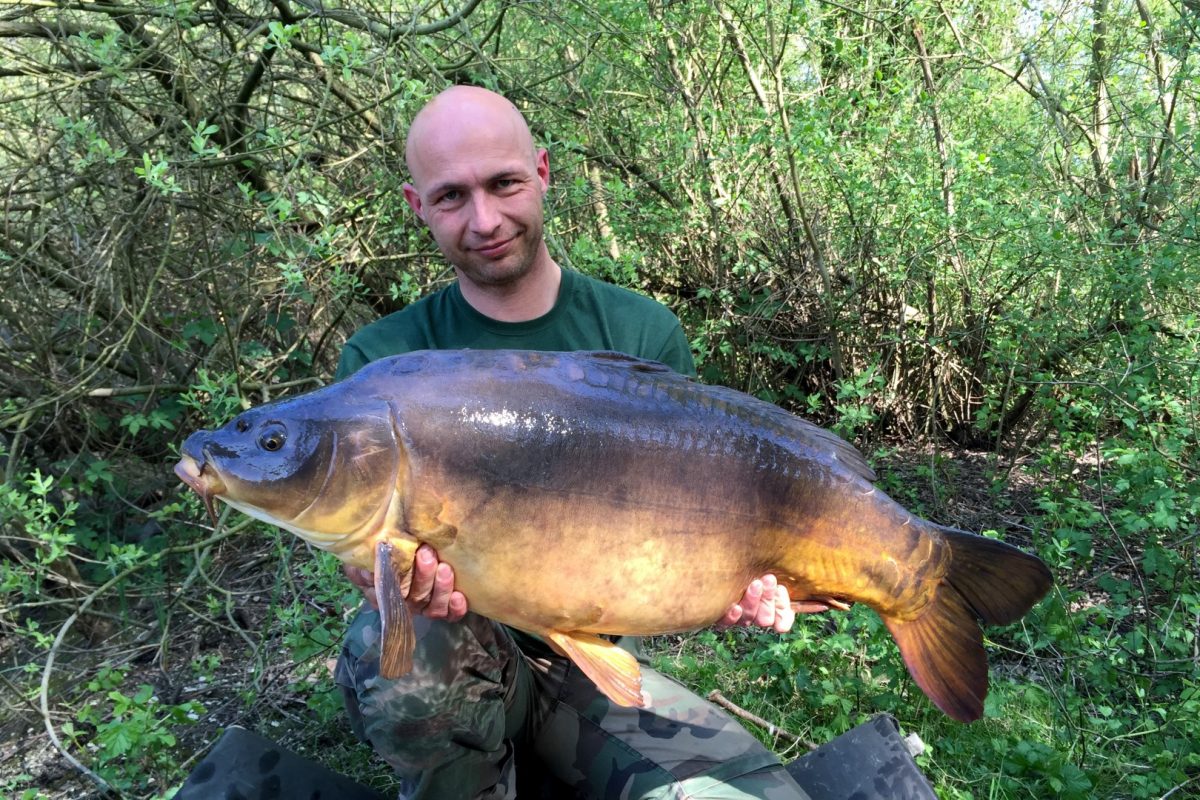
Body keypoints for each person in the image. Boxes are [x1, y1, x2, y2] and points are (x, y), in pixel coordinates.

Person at [332, 85, 814, 800]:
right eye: (451, 197)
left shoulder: (641, 334)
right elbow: (363, 556)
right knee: (399, 647)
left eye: (503, 183)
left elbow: (689, 538)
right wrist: (396, 580)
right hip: (455, 668)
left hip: (582, 668)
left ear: (544, 172)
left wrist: (739, 586)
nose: (485, 219)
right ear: (417, 206)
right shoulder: (385, 365)